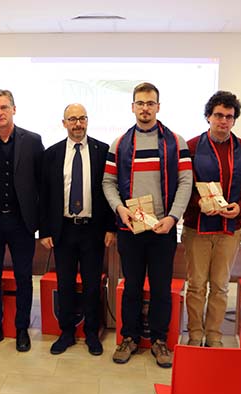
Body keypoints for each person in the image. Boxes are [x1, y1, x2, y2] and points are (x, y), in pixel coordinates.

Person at [103, 82, 193, 368]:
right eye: (140, 103)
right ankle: (128, 338)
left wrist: (172, 217)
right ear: (132, 107)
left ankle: (159, 341)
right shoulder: (120, 144)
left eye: (150, 103)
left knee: (161, 288)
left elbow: (186, 182)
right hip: (130, 230)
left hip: (162, 230)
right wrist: (120, 209)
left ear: (158, 107)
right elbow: (108, 182)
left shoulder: (175, 142)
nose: (145, 108)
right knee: (131, 287)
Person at [182, 91, 241, 348]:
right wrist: (199, 203)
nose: (223, 121)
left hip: (229, 229)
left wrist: (240, 207)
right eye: (218, 115)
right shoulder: (191, 147)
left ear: (234, 119)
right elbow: (182, 186)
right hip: (197, 228)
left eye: (229, 116)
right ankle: (195, 334)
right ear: (208, 116)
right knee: (196, 285)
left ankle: (214, 336)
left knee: (220, 286)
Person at [39, 103, 116, 356]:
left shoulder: (102, 151)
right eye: (72, 119)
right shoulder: (52, 154)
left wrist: (111, 227)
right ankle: (67, 333)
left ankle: (92, 333)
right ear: (64, 123)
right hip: (63, 230)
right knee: (66, 283)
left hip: (93, 230)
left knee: (93, 285)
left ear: (87, 121)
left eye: (82, 118)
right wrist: (44, 231)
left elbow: (109, 191)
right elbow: (44, 195)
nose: (78, 124)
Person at [0, 89, 44, 352]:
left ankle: (22, 328)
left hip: (21, 220)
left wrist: (41, 220)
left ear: (14, 109)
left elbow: (41, 182)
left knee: (23, 276)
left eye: (4, 107)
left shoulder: (32, 141)